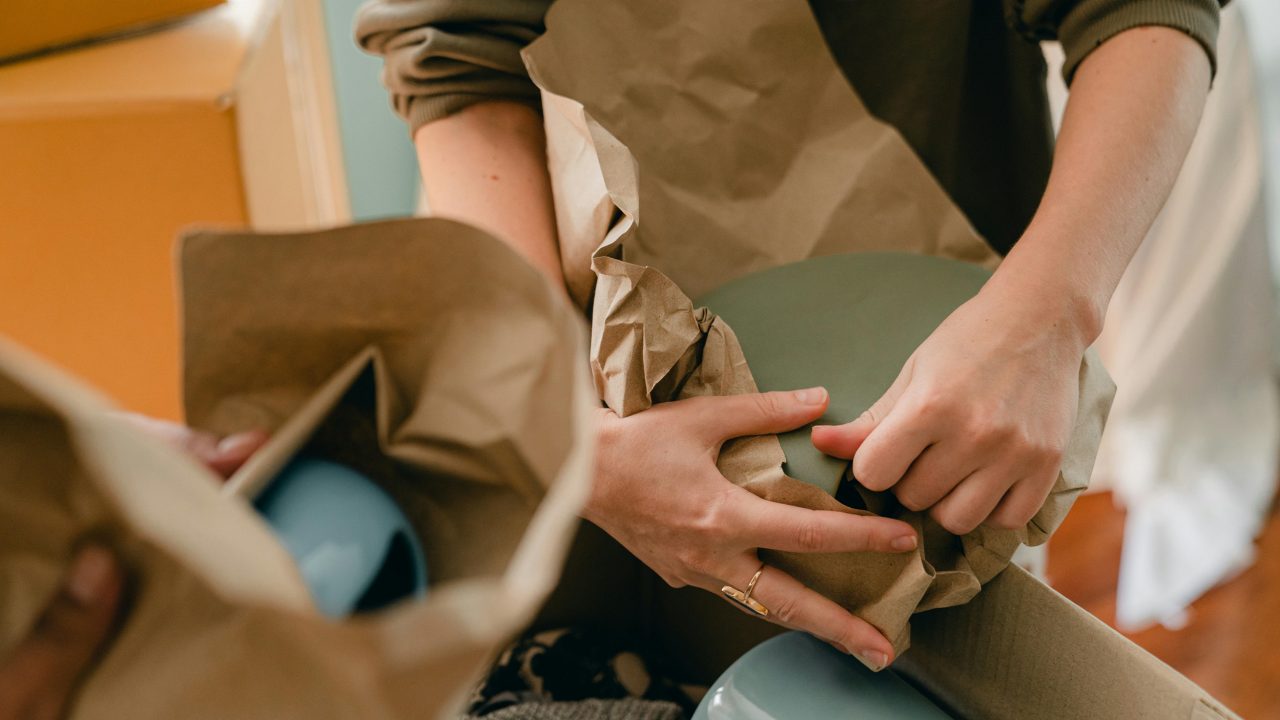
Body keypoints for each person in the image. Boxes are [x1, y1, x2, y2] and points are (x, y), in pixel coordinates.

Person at [356, 0, 1220, 669]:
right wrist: (563, 430)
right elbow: (455, 53)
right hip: (570, 343)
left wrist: (1049, 312)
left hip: (969, 358)